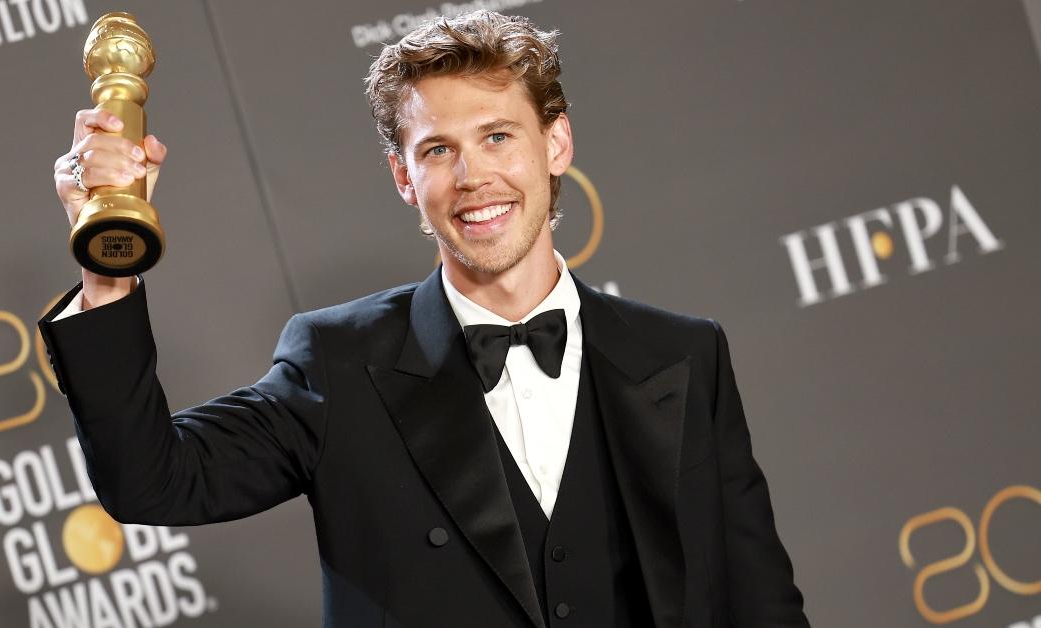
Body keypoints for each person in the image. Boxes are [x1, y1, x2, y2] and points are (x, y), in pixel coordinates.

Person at [40, 10, 809, 628]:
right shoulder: (339, 363)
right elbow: (152, 484)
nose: (474, 177)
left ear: (557, 142)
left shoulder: (683, 354)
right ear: (404, 176)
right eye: (438, 150)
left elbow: (761, 600)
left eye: (498, 136)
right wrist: (108, 267)